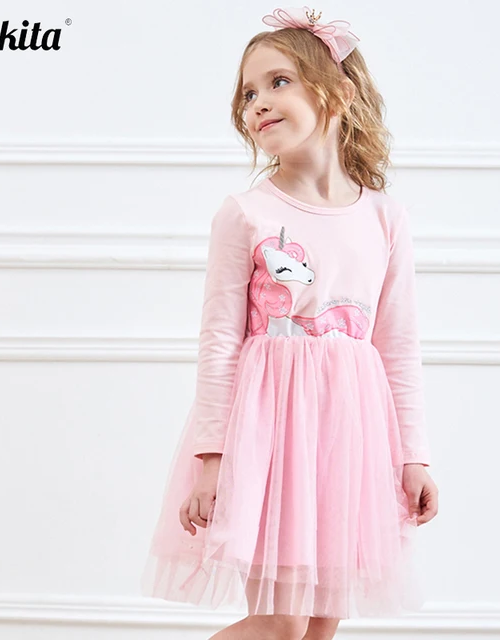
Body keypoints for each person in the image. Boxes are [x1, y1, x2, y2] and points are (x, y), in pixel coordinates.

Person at [140, 6, 439, 639]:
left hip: (350, 438)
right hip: (269, 434)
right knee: (280, 622)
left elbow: (397, 345)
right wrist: (212, 459)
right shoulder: (246, 213)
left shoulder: (384, 218)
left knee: (320, 628)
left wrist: (413, 456)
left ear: (339, 93)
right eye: (248, 93)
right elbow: (220, 342)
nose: (258, 103)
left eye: (278, 82)